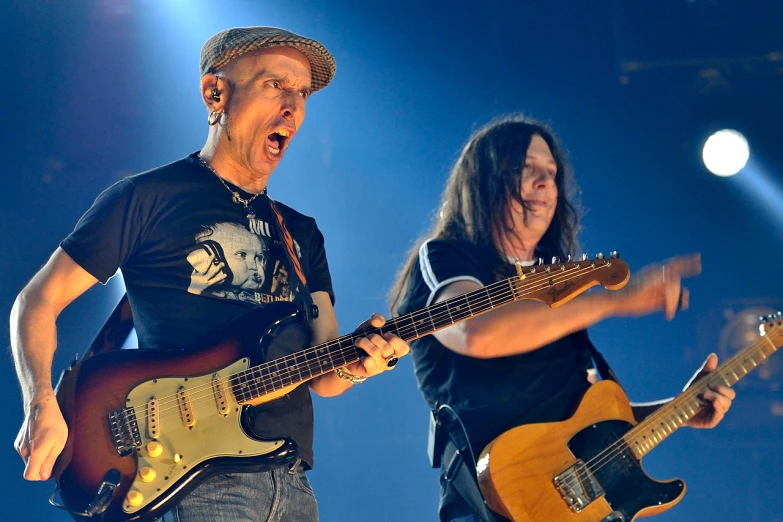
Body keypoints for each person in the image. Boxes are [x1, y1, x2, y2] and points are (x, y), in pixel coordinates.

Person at [11, 26, 408, 522]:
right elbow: (37, 301)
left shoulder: (301, 233)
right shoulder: (146, 199)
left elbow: (323, 375)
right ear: (215, 92)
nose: (293, 106)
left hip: (290, 482)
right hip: (189, 477)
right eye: (274, 85)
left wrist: (363, 362)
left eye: (302, 93)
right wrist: (40, 403)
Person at [389, 115, 735, 522]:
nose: (544, 184)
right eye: (525, 168)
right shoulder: (444, 256)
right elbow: (475, 333)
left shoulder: (557, 282)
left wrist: (678, 408)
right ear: (483, 181)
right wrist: (612, 301)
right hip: (494, 500)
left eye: (551, 173)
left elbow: (587, 423)